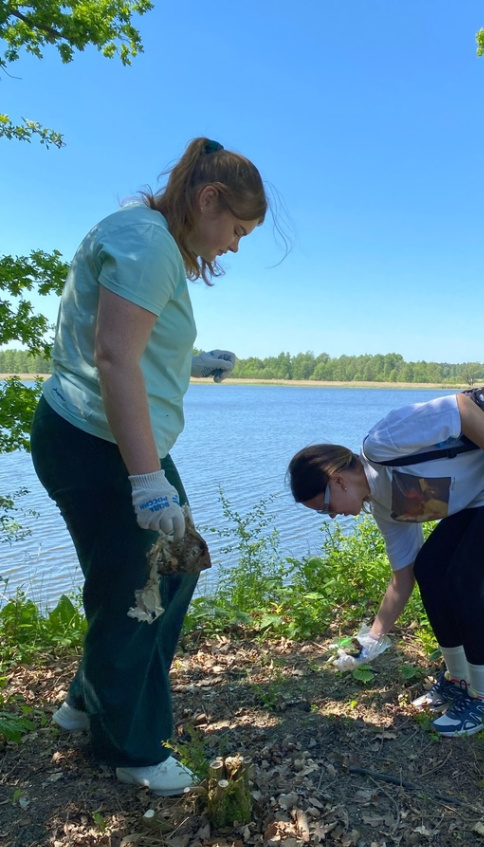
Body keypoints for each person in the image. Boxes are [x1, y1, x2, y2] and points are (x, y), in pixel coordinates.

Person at [31, 137, 268, 795]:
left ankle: (87, 701)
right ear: (208, 198)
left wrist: (189, 363)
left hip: (106, 439)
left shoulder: (143, 236)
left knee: (170, 570)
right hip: (100, 444)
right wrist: (145, 480)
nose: (235, 245)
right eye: (237, 229)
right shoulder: (149, 244)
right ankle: (129, 749)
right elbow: (111, 358)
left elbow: (118, 343)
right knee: (141, 589)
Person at [287, 390, 484, 737]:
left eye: (326, 507)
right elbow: (403, 577)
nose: (332, 516)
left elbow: (462, 408)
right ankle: (459, 679)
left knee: (462, 578)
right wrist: (371, 640)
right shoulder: (386, 507)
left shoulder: (383, 442)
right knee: (430, 568)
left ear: (337, 479)